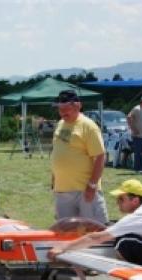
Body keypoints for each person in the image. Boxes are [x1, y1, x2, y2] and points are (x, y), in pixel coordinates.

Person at [51, 89, 108, 225]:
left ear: (78, 106)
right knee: (66, 233)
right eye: (60, 109)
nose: (63, 113)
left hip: (84, 190)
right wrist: (54, 178)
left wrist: (92, 185)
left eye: (66, 109)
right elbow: (59, 151)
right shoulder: (60, 124)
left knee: (94, 231)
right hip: (62, 190)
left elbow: (99, 157)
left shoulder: (88, 126)